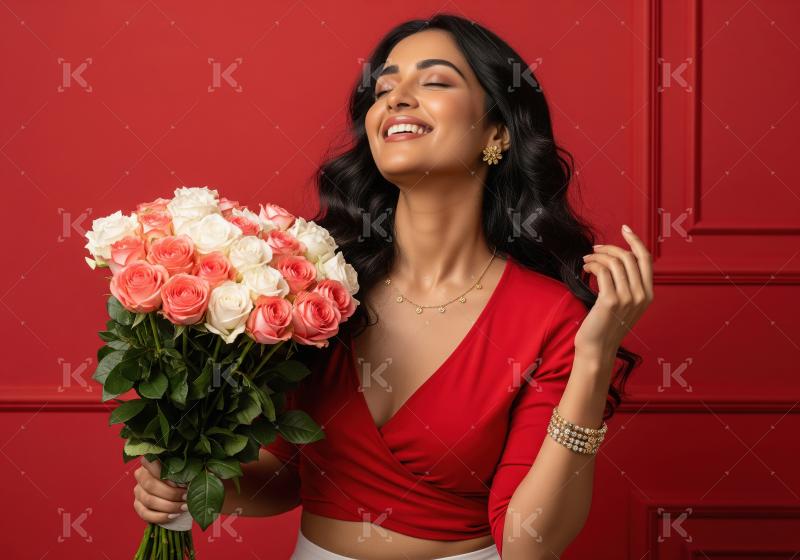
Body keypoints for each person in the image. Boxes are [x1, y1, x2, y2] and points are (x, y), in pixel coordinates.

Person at [133, 13, 653, 559]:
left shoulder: (552, 317)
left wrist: (595, 358)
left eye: (434, 81)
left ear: (496, 131)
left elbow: (529, 547)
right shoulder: (315, 289)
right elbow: (287, 477)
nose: (396, 99)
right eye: (384, 88)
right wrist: (189, 486)